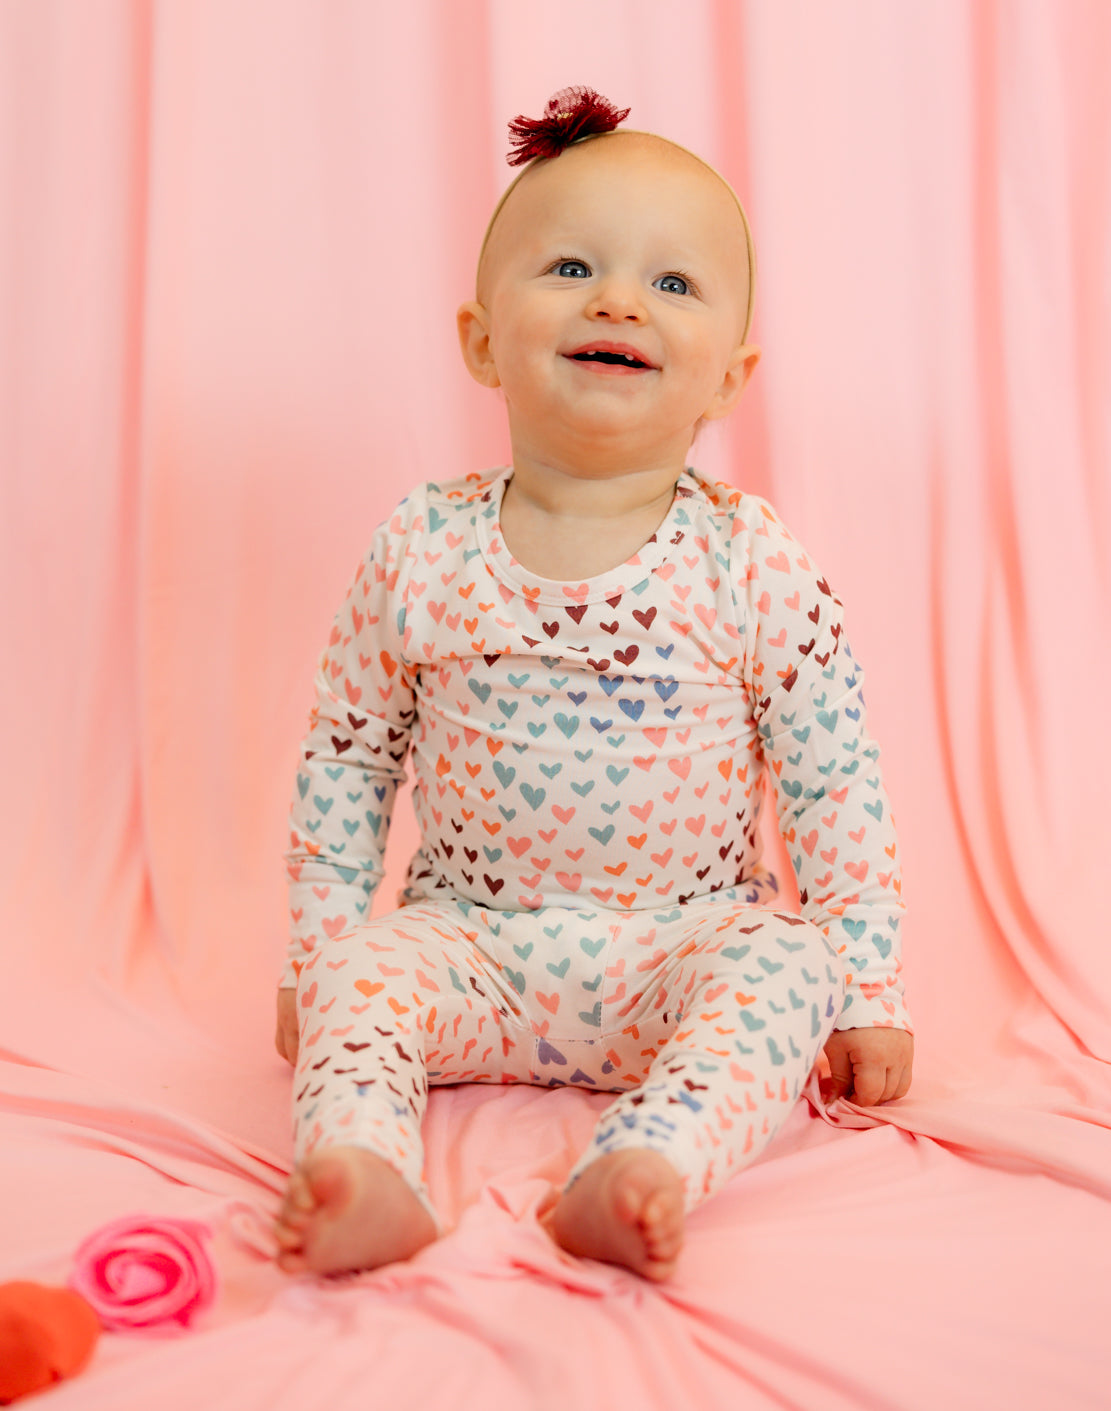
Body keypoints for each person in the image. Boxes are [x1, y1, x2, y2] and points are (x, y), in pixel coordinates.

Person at [271, 86, 914, 1283]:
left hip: (682, 947)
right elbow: (348, 757)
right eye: (570, 266)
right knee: (356, 970)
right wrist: (313, 954)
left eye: (672, 282)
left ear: (729, 376)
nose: (618, 299)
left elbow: (833, 783)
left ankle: (646, 1164)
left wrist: (869, 985)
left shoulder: (750, 559)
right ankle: (361, 1167)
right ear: (480, 341)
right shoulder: (422, 544)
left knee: (791, 964)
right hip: (469, 947)